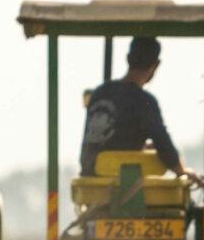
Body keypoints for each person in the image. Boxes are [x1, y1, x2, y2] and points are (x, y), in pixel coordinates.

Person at [79, 35, 184, 176]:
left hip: (89, 180)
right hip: (120, 187)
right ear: (156, 65)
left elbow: (107, 140)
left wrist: (142, 147)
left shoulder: (100, 92)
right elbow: (164, 146)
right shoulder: (144, 101)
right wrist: (182, 172)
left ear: (128, 59)